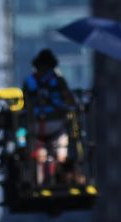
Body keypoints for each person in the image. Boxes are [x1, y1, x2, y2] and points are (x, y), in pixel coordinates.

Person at [22, 49, 77, 186]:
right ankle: (61, 179)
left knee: (38, 156)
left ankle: (39, 182)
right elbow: (70, 100)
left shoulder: (29, 81)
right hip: (56, 124)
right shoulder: (58, 80)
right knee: (60, 155)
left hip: (34, 126)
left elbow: (23, 104)